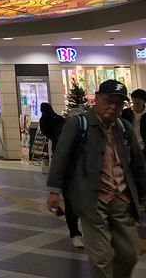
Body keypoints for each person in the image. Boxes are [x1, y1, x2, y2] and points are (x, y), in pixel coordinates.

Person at [47, 80, 146, 278]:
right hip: (92, 200)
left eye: (119, 104)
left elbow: (138, 165)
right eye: (109, 101)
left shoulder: (124, 127)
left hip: (122, 199)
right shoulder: (78, 124)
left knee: (130, 254)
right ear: (97, 98)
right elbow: (60, 158)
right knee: (101, 257)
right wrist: (54, 191)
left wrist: (143, 196)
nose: (113, 107)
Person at [39, 101, 83, 248]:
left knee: (78, 205)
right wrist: (54, 190)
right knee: (70, 204)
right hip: (69, 175)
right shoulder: (61, 133)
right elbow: (59, 160)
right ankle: (75, 233)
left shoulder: (90, 135)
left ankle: (79, 233)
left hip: (85, 177)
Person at [121, 89, 146, 156]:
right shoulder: (126, 112)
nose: (137, 101)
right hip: (129, 145)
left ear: (144, 101)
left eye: (140, 99)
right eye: (135, 98)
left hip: (143, 146)